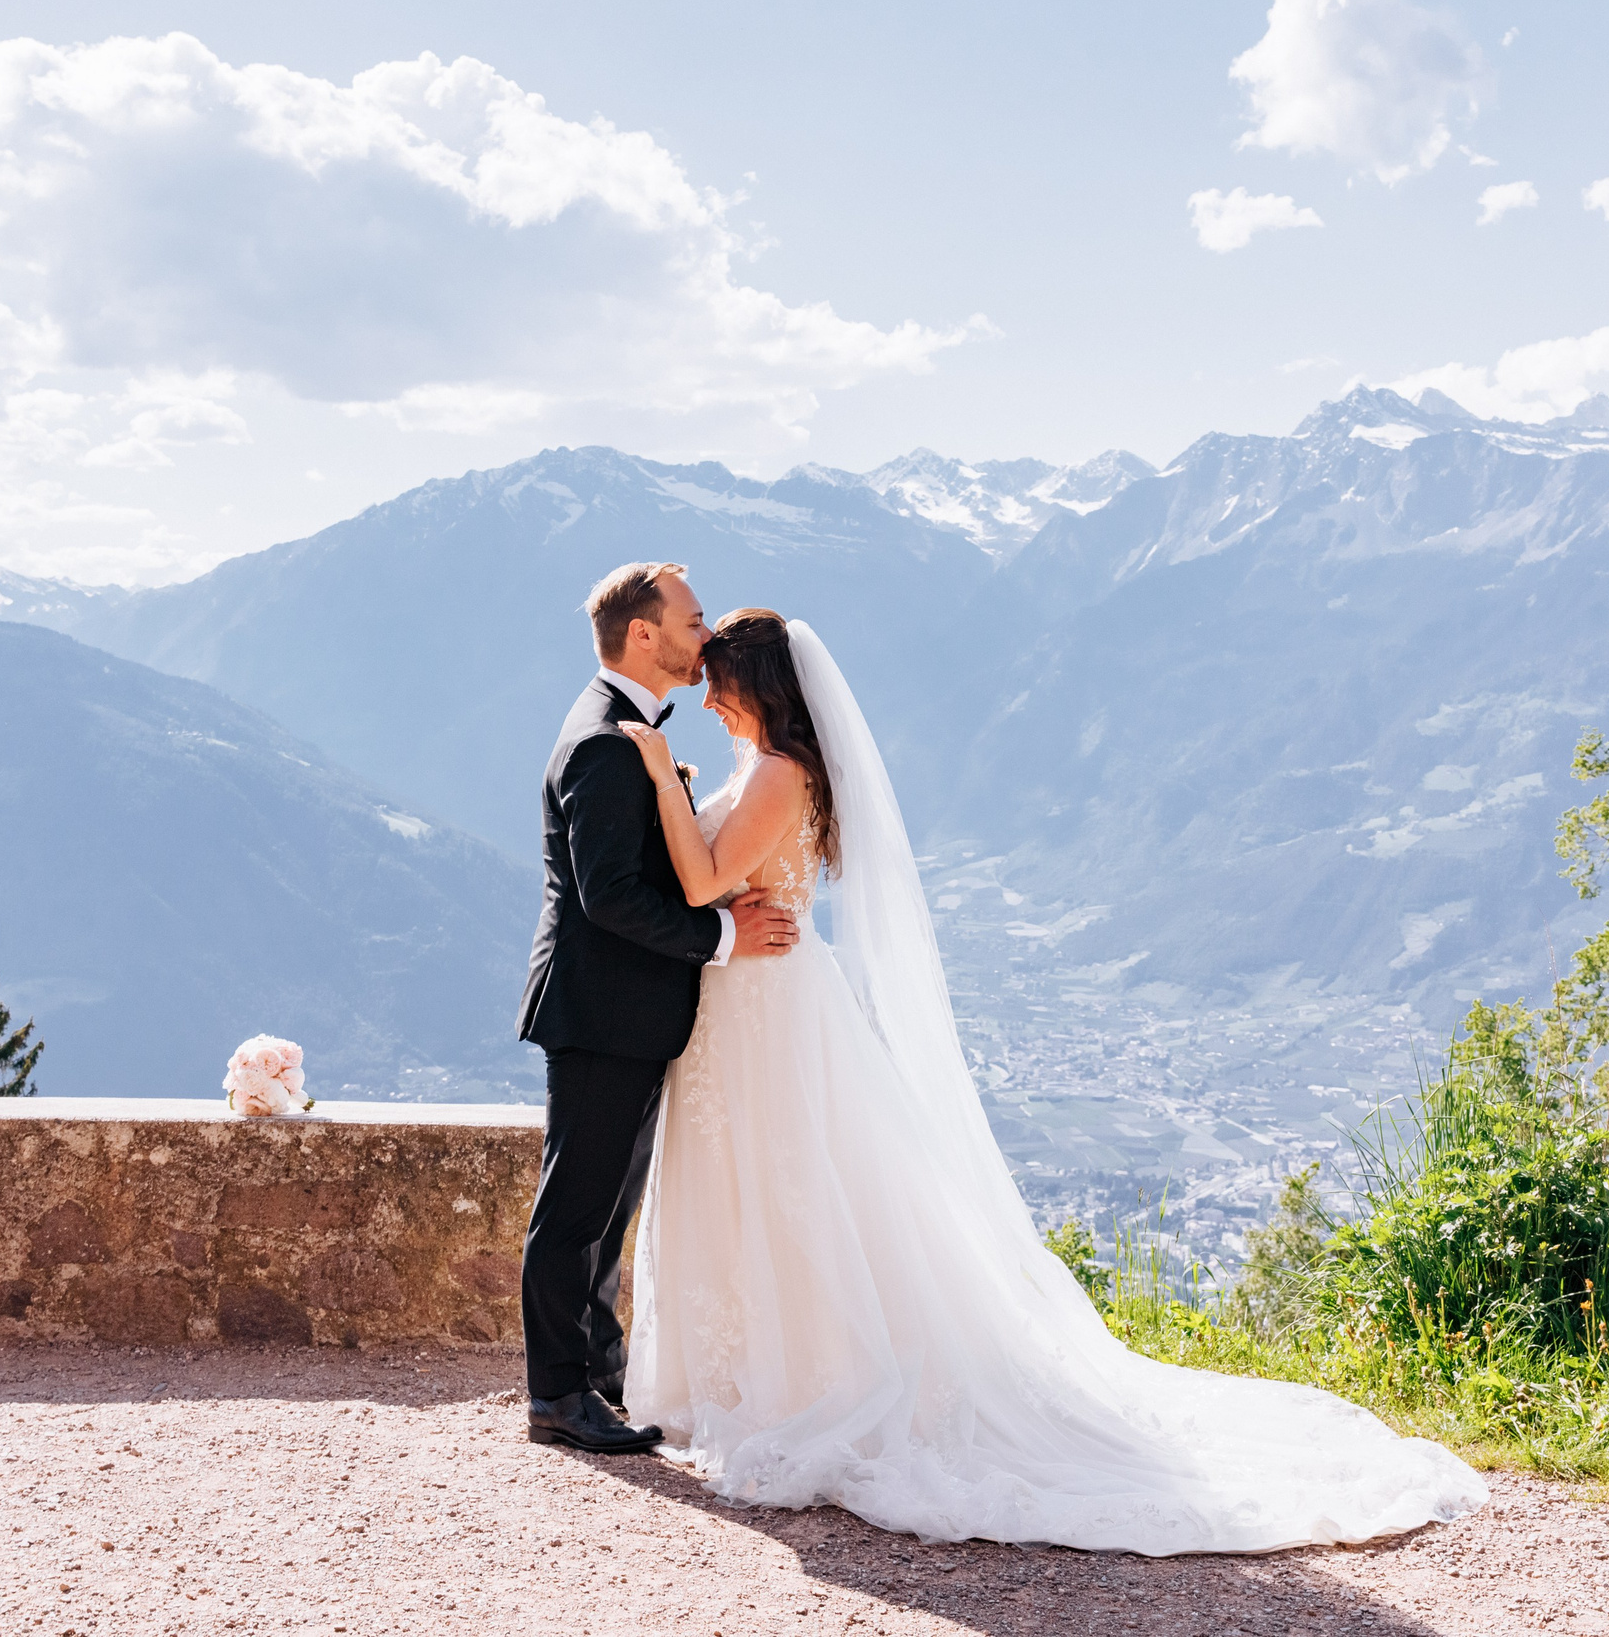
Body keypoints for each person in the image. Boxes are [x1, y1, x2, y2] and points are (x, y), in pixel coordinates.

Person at [610, 607, 1490, 1552]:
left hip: (769, 1009)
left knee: (789, 1189)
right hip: (750, 1003)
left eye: (718, 681)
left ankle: (800, 1380)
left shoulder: (781, 774)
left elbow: (703, 885)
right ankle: (752, 1374)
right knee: (763, 1187)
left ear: (756, 687)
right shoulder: (768, 769)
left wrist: (663, 782)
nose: (705, 694)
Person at [514, 563, 800, 1454]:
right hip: (601, 1010)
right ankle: (557, 1393)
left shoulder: (622, 729)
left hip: (630, 1013)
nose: (705, 635)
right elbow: (609, 899)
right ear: (645, 633)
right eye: (693, 618)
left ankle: (595, 1370)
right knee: (576, 1207)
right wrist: (723, 937)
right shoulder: (606, 739)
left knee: (607, 1206)